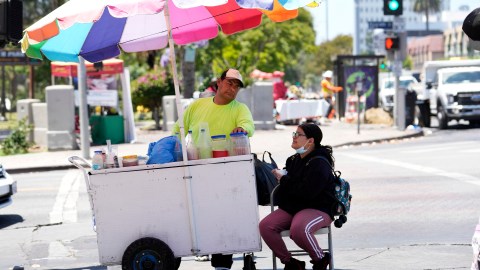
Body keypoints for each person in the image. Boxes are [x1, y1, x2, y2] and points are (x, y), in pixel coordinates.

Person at [173, 68, 255, 270]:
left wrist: (241, 130)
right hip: (196, 169)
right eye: (229, 82)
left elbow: (248, 127)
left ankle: (222, 263)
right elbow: (177, 131)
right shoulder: (197, 106)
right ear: (218, 82)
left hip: (226, 171)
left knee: (224, 215)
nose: (232, 88)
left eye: (236, 86)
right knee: (197, 214)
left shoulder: (239, 108)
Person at [259, 123, 336, 270]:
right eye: (294, 134)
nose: (294, 137)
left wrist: (284, 179)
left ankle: (320, 259)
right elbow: (292, 187)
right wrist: (282, 176)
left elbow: (308, 192)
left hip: (318, 207)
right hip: (295, 207)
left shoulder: (319, 162)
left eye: (298, 135)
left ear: (311, 141)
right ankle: (290, 263)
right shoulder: (293, 160)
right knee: (265, 226)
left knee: (299, 229)